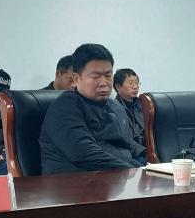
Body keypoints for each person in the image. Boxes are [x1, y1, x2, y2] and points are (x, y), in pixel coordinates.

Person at [39, 43, 146, 174]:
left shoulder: (115, 107)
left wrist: (145, 170)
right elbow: (85, 154)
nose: (104, 83)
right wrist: (133, 172)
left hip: (112, 179)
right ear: (76, 79)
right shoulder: (64, 107)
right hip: (72, 181)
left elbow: (125, 151)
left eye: (108, 75)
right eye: (95, 77)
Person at [113, 68, 145, 146]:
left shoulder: (143, 104)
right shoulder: (113, 109)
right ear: (118, 86)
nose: (135, 87)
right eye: (130, 83)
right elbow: (124, 139)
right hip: (130, 150)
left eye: (137, 83)